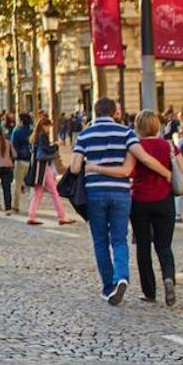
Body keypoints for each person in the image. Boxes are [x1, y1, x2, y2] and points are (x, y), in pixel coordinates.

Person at [71, 98, 139, 305]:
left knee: (100, 241)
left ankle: (108, 286)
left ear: (94, 112)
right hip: (120, 193)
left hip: (95, 193)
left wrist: (91, 165)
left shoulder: (85, 135)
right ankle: (122, 276)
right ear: (114, 112)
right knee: (119, 239)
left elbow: (74, 168)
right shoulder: (126, 133)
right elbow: (134, 160)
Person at [129, 110, 183, 305]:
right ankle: (168, 278)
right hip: (165, 200)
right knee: (164, 245)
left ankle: (149, 292)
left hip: (140, 200)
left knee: (143, 246)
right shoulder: (169, 145)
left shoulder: (135, 147)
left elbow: (129, 170)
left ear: (138, 127)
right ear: (157, 126)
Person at [25, 114, 71, 225]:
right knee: (54, 192)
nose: (49, 128)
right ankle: (62, 216)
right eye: (49, 126)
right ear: (45, 126)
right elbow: (46, 149)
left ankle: (31, 215)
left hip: (38, 167)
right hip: (43, 167)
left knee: (38, 192)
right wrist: (55, 146)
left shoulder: (36, 135)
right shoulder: (42, 135)